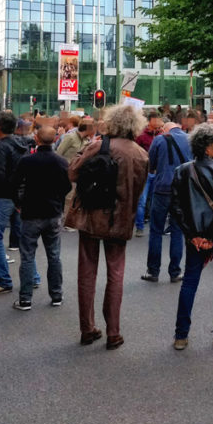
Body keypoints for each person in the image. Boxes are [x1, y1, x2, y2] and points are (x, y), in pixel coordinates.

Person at [66, 104, 148, 349]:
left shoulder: (98, 145)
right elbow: (139, 192)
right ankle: (114, 331)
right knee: (116, 273)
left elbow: (72, 172)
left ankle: (87, 328)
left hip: (91, 216)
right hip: (120, 219)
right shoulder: (140, 154)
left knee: (87, 271)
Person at [170, 123, 213, 351]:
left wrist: (193, 235)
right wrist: (212, 236)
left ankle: (181, 335)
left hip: (194, 234)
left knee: (189, 282)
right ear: (207, 147)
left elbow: (176, 208)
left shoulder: (182, 171)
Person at [11, 126, 71, 311]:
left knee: (28, 256)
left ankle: (26, 299)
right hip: (53, 212)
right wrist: (58, 201)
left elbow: (15, 184)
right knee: (54, 255)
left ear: (36, 139)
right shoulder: (61, 161)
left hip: (31, 212)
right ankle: (56, 295)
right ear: (55, 140)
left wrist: (18, 203)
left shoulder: (27, 161)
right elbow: (67, 186)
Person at [0, 111, 30, 295]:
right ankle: (32, 277)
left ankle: (3, 280)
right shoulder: (21, 143)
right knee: (26, 240)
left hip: (3, 197)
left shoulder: (1, 147)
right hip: (19, 195)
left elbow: (0, 174)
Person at [142, 120, 191, 283]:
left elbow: (151, 165)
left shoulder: (160, 139)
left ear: (165, 129)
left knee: (156, 231)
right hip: (182, 190)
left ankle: (153, 271)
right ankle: (175, 272)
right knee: (177, 231)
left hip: (162, 188)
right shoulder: (189, 139)